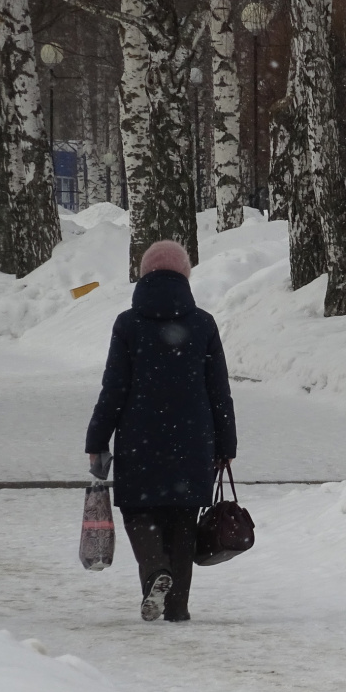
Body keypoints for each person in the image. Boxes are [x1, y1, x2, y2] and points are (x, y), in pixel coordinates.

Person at [85, 240, 237, 623]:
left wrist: (97, 440)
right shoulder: (202, 323)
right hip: (193, 439)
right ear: (185, 274)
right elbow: (219, 390)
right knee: (183, 521)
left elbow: (114, 388)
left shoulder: (128, 324)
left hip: (140, 439)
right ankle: (177, 608)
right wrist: (226, 443)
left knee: (141, 513)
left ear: (143, 274)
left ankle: (155, 571)